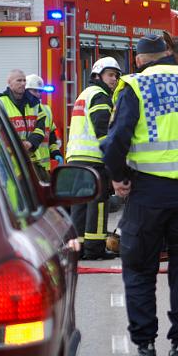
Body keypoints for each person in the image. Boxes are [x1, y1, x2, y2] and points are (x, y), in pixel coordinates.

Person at [102, 34, 178, 356]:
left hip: (148, 190)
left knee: (139, 269)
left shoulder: (133, 85)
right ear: (168, 53)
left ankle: (145, 349)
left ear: (138, 60)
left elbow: (116, 139)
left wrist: (118, 177)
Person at [66, 56, 122, 260]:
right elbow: (102, 128)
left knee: (79, 204)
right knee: (98, 204)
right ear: (97, 75)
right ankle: (94, 249)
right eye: (110, 75)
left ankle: (78, 249)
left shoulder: (85, 94)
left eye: (116, 76)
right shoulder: (100, 96)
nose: (114, 79)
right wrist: (112, 158)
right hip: (93, 158)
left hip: (75, 158)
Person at [0, 69, 46, 163]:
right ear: (9, 83)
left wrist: (30, 143)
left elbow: (40, 129)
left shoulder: (34, 104)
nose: (23, 83)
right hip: (7, 160)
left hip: (30, 160)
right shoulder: (0, 102)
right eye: (19, 80)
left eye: (24, 81)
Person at [25, 74, 63, 180]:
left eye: (39, 91)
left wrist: (55, 152)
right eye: (34, 91)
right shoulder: (22, 110)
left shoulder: (46, 110)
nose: (37, 94)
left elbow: (51, 136)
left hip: (43, 167)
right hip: (27, 165)